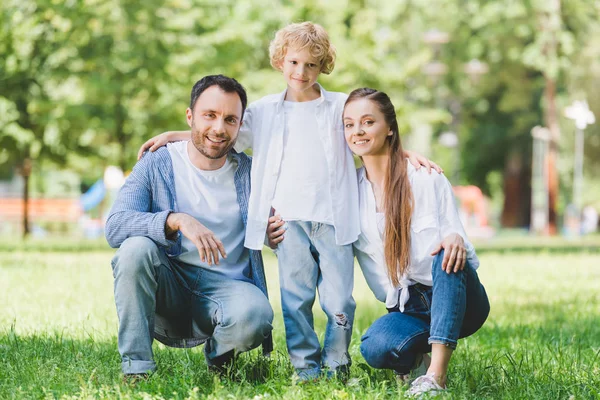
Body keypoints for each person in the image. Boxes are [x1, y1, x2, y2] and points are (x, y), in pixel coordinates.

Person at [137, 22, 440, 382]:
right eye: (294, 63)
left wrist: (404, 153)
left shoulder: (339, 106)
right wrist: (175, 135)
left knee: (339, 300)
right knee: (296, 301)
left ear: (323, 66)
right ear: (280, 62)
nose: (302, 72)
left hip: (335, 222)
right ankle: (305, 367)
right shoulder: (263, 111)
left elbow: (367, 136)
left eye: (312, 65)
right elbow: (223, 135)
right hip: (288, 226)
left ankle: (336, 361)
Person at [270, 87, 489, 396]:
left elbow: (456, 238)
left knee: (447, 251)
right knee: (376, 348)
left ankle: (436, 375)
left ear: (389, 128)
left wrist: (454, 237)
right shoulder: (346, 193)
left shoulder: (425, 178)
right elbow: (299, 162)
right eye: (349, 124)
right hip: (407, 306)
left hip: (458, 296)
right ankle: (417, 358)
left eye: (368, 122)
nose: (357, 130)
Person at [105, 75, 274, 379]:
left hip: (226, 289)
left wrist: (276, 234)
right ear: (190, 116)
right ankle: (136, 369)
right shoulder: (157, 162)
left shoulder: (252, 174)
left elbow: (276, 222)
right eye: (209, 115)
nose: (219, 128)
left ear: (240, 126)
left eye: (230, 119)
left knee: (256, 315)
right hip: (168, 283)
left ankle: (220, 361)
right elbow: (115, 225)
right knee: (135, 249)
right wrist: (175, 220)